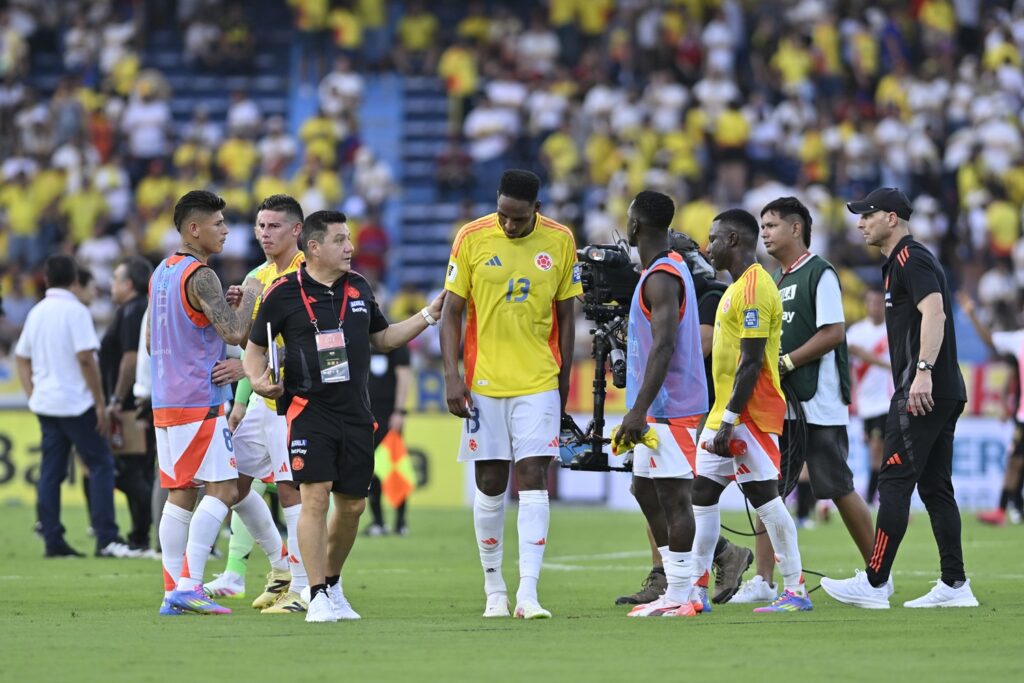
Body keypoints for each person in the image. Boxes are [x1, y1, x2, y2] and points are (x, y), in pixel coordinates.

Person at [245, 210, 444, 624]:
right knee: (315, 497)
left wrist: (427, 316)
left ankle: (332, 584)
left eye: (349, 238)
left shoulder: (359, 287)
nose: (351, 247)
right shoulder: (282, 292)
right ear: (314, 247)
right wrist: (259, 381)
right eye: (340, 240)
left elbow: (382, 339)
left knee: (352, 507)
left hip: (356, 414)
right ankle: (315, 593)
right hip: (308, 410)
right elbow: (254, 349)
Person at [822, 187, 978, 609]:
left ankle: (875, 583)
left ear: (891, 218)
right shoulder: (899, 263)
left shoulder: (912, 257)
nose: (860, 223)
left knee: (892, 481)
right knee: (935, 488)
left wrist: (922, 373)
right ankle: (955, 584)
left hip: (923, 390)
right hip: (942, 389)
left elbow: (935, 312)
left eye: (867, 215)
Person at [440, 169, 581, 620]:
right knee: (490, 483)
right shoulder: (471, 237)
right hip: (484, 382)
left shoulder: (561, 240)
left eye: (518, 218)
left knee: (533, 476)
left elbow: (567, 317)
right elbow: (451, 312)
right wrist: (452, 376)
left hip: (539, 380)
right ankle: (494, 588)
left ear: (536, 209)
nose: (508, 224)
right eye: (502, 214)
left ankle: (528, 594)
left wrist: (563, 382)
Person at [732, 197, 873, 604]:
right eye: (762, 226)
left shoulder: (819, 272)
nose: (764, 233)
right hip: (783, 403)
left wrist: (788, 361)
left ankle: (879, 575)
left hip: (818, 401)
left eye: (772, 225)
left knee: (838, 486)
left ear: (796, 228)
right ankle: (763, 580)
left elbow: (834, 332)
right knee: (768, 489)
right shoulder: (775, 279)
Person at [616, 232, 753, 608]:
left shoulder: (708, 294)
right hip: (663, 401)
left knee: (678, 494)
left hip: (686, 403)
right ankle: (679, 575)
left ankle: (682, 582)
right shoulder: (672, 285)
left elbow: (700, 343)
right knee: (648, 489)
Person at [690, 208, 812, 614]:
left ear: (733, 240)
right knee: (702, 492)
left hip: (749, 415)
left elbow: (752, 361)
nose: (708, 246)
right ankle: (695, 591)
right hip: (724, 413)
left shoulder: (756, 287)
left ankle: (795, 590)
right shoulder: (735, 287)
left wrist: (730, 419)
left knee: (765, 498)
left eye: (713, 238)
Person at [151, 190, 264, 616]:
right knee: (224, 488)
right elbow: (235, 334)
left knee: (180, 493)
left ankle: (172, 593)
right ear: (194, 229)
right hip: (200, 398)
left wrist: (223, 312)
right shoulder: (202, 276)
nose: (226, 231)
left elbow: (154, 340)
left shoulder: (162, 272)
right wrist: (251, 295)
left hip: (166, 398)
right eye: (218, 224)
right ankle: (189, 585)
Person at [204, 195, 312, 615]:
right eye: (260, 226)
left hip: (293, 402)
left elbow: (303, 343)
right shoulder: (255, 277)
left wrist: (251, 370)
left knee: (290, 490)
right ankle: (281, 568)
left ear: (297, 230)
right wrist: (241, 399)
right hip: (258, 402)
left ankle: (302, 589)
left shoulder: (308, 273)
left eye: (274, 226)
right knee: (233, 485)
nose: (265, 234)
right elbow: (247, 341)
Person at [613, 191, 708, 618]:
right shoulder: (661, 269)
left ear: (635, 226)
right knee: (644, 489)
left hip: (672, 406)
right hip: (656, 406)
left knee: (673, 496)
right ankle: (676, 583)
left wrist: (638, 411)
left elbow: (665, 345)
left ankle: (684, 593)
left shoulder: (662, 277)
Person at [15, 254, 133, 559]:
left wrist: (32, 394)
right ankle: (106, 537)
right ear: (73, 280)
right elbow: (85, 359)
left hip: (47, 404)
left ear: (46, 279)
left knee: (51, 473)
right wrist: (99, 403)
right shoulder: (75, 311)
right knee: (101, 464)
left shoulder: (37, 311)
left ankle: (53, 540)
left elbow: (21, 357)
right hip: (76, 404)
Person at [100, 257, 156, 555]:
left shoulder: (134, 311)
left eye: (115, 278)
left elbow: (131, 358)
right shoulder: (135, 309)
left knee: (131, 471)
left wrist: (116, 399)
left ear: (129, 284)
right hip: (135, 401)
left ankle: (147, 529)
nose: (111, 284)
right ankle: (140, 534)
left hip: (132, 404)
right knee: (137, 470)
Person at [958, 291, 1024, 526]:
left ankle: (1004, 510)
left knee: (1015, 463)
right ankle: (1002, 510)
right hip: (1022, 417)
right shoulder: (1019, 339)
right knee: (1014, 462)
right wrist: (972, 315)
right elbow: (990, 341)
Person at [364, 316, 413, 537]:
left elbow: (404, 375)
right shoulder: (357, 335)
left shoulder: (393, 337)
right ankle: (378, 522)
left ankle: (400, 522)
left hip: (389, 415)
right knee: (369, 469)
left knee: (395, 468)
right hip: (365, 414)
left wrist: (399, 411)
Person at [846, 286, 894, 506]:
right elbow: (853, 353)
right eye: (871, 302)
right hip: (865, 402)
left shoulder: (892, 329)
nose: (875, 307)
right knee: (873, 449)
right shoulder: (856, 331)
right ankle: (876, 494)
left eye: (879, 303)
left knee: (877, 447)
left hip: (886, 400)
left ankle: (872, 496)